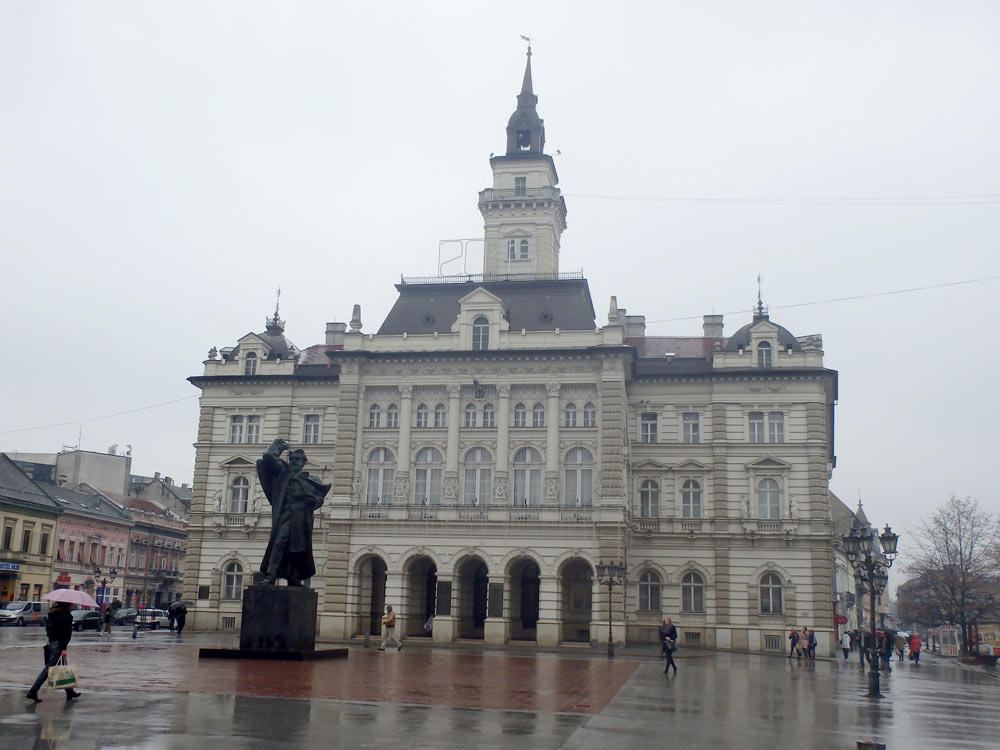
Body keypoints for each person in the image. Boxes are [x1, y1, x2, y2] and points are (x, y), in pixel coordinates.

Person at [256, 438, 331, 586]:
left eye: (299, 459)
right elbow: (268, 457)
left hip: (302, 518)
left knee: (298, 549)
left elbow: (319, 498)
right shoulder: (282, 472)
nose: (296, 461)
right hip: (286, 515)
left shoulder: (311, 479)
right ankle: (271, 575)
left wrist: (314, 502)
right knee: (279, 543)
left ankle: (294, 577)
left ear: (304, 462)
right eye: (293, 459)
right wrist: (279, 445)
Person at [26, 601, 81, 703]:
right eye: (70, 604)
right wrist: (64, 648)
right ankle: (33, 691)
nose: (72, 605)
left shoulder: (53, 614)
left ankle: (70, 691)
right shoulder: (66, 616)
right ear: (67, 605)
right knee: (49, 667)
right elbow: (65, 633)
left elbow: (49, 629)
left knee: (63, 666)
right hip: (59, 644)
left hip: (52, 642)